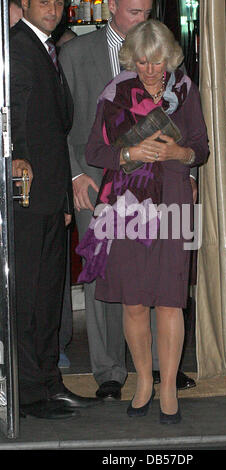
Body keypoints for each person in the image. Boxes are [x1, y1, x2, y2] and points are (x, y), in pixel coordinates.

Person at [59, 0, 196, 401]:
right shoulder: (75, 53)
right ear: (114, 6)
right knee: (106, 277)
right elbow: (59, 123)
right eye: (135, 11)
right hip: (95, 180)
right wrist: (74, 173)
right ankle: (108, 372)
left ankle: (156, 368)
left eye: (147, 11)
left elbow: (189, 130)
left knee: (159, 280)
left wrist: (186, 172)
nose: (143, 18)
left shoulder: (164, 55)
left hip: (162, 189)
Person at [10, 0, 100, 419]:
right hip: (26, 199)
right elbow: (15, 124)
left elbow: (54, 127)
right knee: (28, 299)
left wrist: (63, 198)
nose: (53, 7)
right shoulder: (15, 47)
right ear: (23, 4)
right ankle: (29, 392)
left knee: (48, 297)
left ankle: (47, 383)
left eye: (57, 0)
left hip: (48, 198)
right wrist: (19, 168)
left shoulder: (47, 48)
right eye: (42, 0)